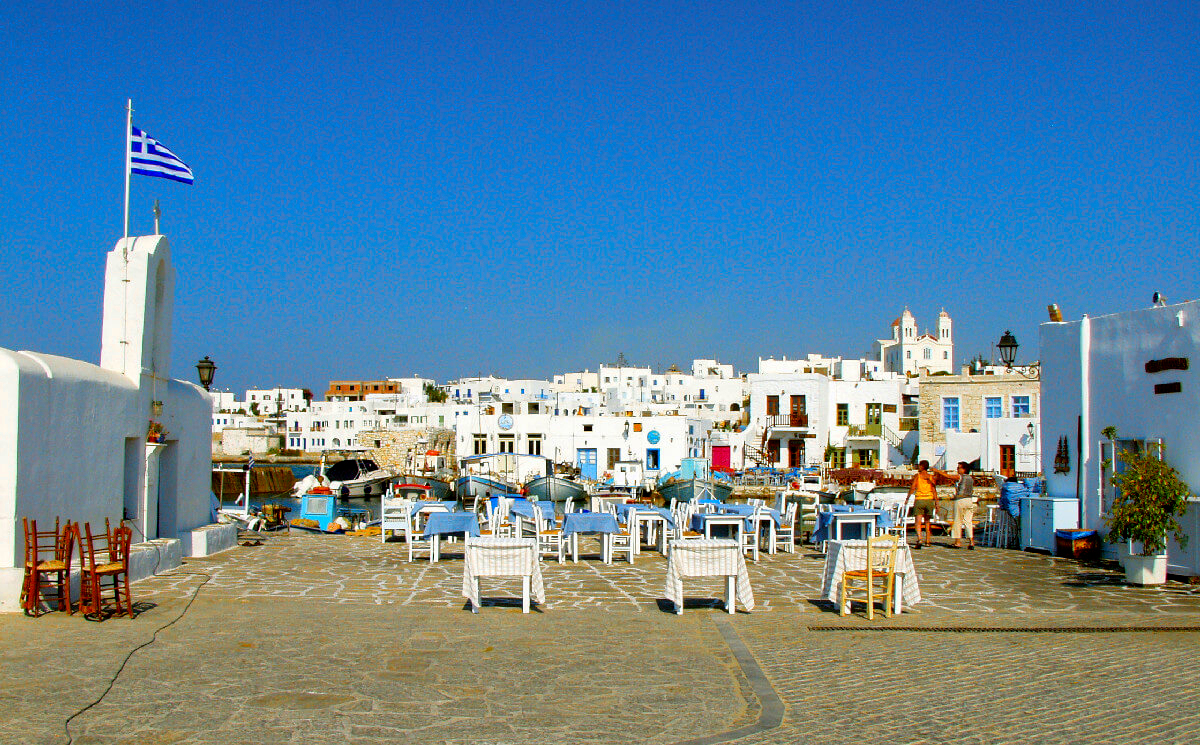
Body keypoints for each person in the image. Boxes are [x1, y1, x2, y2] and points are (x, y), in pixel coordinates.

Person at [935, 461, 976, 549]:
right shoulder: (970, 478)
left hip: (960, 500)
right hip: (969, 500)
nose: (957, 469)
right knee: (968, 521)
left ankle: (958, 542)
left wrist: (938, 471)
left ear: (963, 469)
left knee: (958, 521)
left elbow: (948, 476)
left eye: (959, 468)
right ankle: (971, 541)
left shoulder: (961, 476)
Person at [907, 460, 938, 549]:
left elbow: (913, 487)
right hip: (929, 500)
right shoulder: (931, 477)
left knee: (918, 522)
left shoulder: (918, 476)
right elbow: (934, 490)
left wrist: (907, 498)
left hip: (920, 500)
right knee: (927, 522)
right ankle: (928, 541)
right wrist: (936, 503)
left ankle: (920, 539)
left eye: (919, 465)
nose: (918, 467)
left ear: (922, 466)